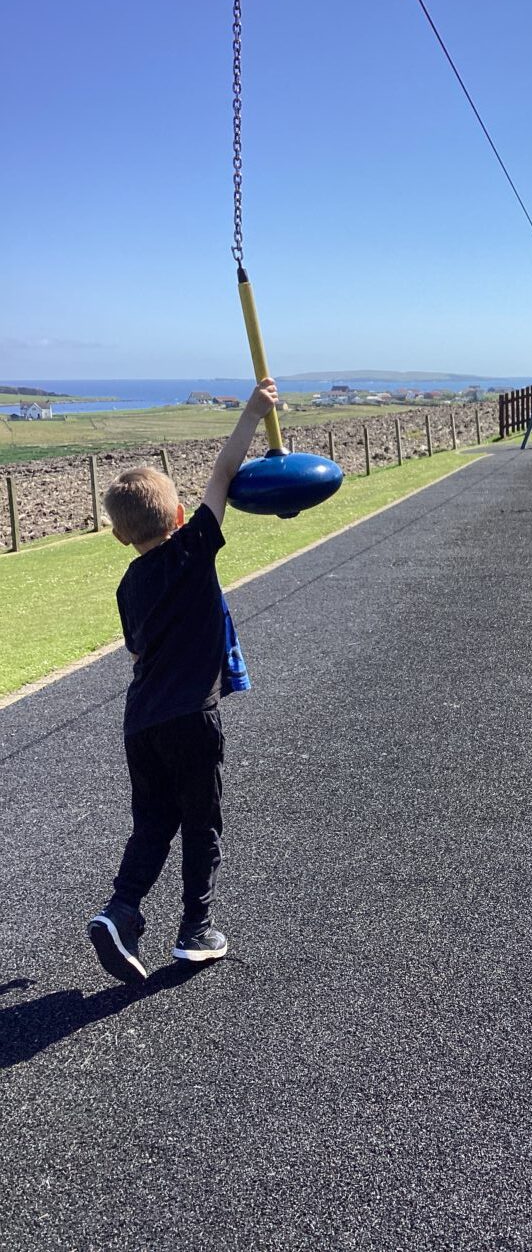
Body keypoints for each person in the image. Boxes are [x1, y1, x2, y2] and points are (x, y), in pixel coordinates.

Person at [86, 378, 278, 984]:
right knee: (201, 822)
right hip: (191, 717)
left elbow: (136, 651)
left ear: (120, 535)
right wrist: (254, 411)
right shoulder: (194, 548)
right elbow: (222, 474)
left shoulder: (127, 585)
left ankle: (121, 909)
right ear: (176, 516)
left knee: (153, 821)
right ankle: (196, 929)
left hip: (141, 723)